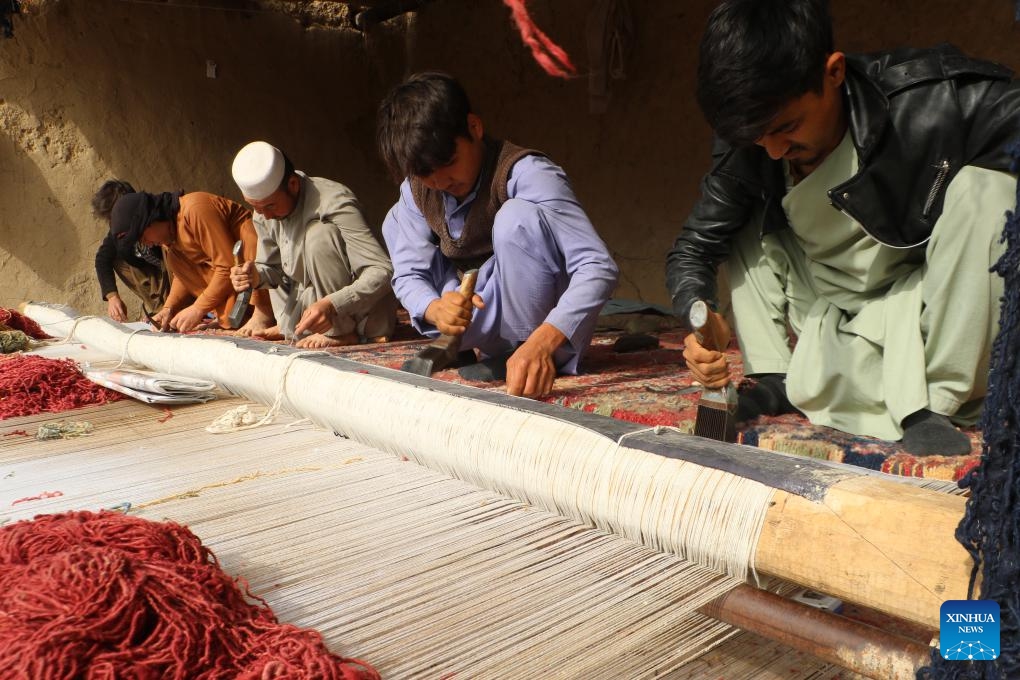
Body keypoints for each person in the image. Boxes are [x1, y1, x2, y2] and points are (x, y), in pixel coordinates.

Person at [666, 0, 1020, 454]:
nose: (774, 151)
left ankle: (935, 402)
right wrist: (700, 313)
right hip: (823, 304)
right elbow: (693, 247)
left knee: (987, 192)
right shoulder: (752, 136)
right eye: (759, 137)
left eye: (787, 127)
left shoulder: (936, 98)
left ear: (833, 73)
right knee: (741, 215)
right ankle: (778, 378)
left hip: (927, 303)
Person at [377, 71, 619, 398]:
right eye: (425, 174)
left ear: (474, 128)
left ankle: (527, 351)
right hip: (475, 309)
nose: (440, 182)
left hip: (533, 318)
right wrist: (436, 309)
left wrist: (543, 341)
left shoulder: (528, 172)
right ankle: (456, 343)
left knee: (515, 219)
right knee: (397, 220)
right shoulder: (418, 189)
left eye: (449, 163)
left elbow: (597, 266)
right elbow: (409, 274)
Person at [228, 141, 397, 349]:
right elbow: (275, 271)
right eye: (256, 207)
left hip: (361, 315)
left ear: (293, 185)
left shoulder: (334, 200)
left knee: (319, 236)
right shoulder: (263, 213)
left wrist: (332, 304)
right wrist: (255, 276)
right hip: (309, 310)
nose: (266, 215)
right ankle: (293, 327)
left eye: (270, 205)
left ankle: (340, 333)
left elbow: (383, 271)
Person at [109, 190, 273, 333]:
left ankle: (263, 311)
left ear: (152, 220)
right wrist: (168, 308)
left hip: (249, 257)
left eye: (144, 237)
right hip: (232, 275)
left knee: (250, 239)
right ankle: (227, 318)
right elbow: (182, 276)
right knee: (175, 261)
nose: (147, 244)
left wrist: (198, 309)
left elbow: (226, 265)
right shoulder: (169, 240)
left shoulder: (195, 209)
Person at [92, 179, 171, 322]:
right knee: (119, 257)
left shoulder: (157, 218)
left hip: (178, 275)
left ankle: (173, 306)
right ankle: (159, 307)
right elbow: (102, 259)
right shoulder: (119, 232)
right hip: (159, 280)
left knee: (168, 249)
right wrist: (112, 297)